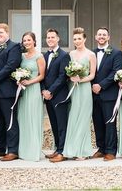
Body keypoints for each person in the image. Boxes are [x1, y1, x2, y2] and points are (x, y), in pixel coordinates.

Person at [0, 23, 21, 161]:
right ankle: (0, 147)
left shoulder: (14, 47)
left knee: (10, 121)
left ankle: (13, 150)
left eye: (1, 32)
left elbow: (10, 66)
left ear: (7, 33)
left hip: (7, 91)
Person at [60, 27, 96, 161]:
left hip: (85, 88)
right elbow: (68, 72)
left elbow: (92, 75)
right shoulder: (70, 54)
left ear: (84, 39)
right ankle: (72, 149)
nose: (77, 41)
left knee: (83, 118)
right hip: (73, 88)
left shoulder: (91, 55)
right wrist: (71, 77)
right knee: (74, 117)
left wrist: (81, 79)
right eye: (75, 39)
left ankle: (82, 150)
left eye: (79, 38)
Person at [91, 27, 122, 161]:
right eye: (99, 34)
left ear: (108, 37)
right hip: (93, 94)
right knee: (97, 122)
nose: (101, 37)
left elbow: (115, 72)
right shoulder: (91, 53)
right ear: (95, 37)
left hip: (109, 93)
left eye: (104, 35)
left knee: (110, 123)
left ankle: (111, 151)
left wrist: (101, 85)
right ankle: (101, 148)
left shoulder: (116, 53)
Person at [41, 28, 70, 162]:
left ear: (58, 39)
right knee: (54, 123)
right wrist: (43, 90)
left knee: (62, 124)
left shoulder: (64, 55)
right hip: (47, 97)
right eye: (48, 37)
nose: (50, 39)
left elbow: (62, 76)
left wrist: (50, 91)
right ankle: (57, 147)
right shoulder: (45, 55)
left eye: (53, 37)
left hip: (59, 96)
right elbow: (41, 75)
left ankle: (62, 152)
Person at [17, 32, 45, 161]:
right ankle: (24, 151)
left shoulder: (39, 56)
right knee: (23, 119)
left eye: (29, 40)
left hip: (33, 90)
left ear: (34, 41)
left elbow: (41, 75)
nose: (26, 42)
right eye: (24, 40)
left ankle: (34, 151)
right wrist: (18, 79)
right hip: (23, 91)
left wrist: (30, 82)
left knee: (33, 119)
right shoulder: (21, 56)